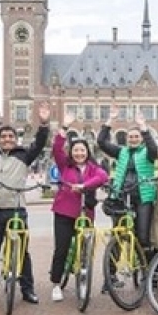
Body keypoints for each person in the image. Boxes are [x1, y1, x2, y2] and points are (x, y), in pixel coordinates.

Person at [0, 98, 50, 305]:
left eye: (10, 136)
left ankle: (27, 290)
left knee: (22, 252)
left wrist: (43, 124)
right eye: (3, 137)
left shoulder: (24, 156)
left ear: (16, 139)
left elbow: (40, 144)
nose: (7, 139)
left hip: (17, 210)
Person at [49, 112, 109, 302]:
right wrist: (64, 128)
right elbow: (57, 147)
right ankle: (56, 284)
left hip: (85, 213)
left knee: (85, 249)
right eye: (76, 150)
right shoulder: (64, 165)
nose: (79, 153)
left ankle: (82, 274)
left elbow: (103, 177)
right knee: (62, 248)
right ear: (71, 152)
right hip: (64, 212)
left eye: (82, 150)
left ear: (87, 152)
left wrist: (84, 186)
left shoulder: (93, 168)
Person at [96, 106, 158, 256]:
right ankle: (110, 276)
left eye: (136, 136)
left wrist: (143, 127)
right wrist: (110, 120)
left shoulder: (147, 153)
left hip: (143, 197)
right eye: (131, 137)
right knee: (117, 235)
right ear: (126, 139)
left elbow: (153, 148)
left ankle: (146, 273)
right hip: (122, 196)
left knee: (143, 237)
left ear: (141, 138)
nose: (133, 139)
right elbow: (101, 142)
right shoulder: (121, 152)